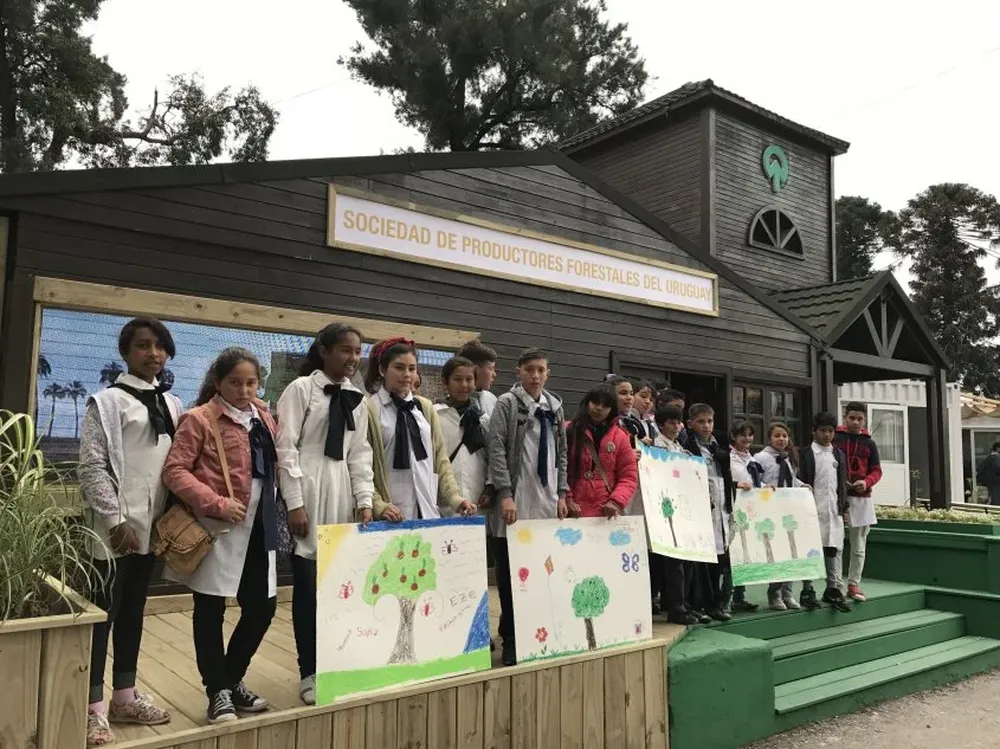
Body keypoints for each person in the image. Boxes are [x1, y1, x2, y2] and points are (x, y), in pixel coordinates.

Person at [162, 348, 279, 724]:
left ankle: (231, 679)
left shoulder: (263, 416)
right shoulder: (198, 419)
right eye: (235, 382)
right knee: (210, 609)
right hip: (217, 528)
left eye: (251, 382)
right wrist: (215, 502)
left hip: (261, 526)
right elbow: (175, 470)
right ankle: (217, 693)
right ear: (218, 381)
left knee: (263, 606)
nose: (244, 390)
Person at [79, 318, 182, 746]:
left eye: (160, 347)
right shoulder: (105, 403)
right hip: (114, 532)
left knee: (135, 613)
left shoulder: (172, 404)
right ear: (126, 352)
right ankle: (92, 708)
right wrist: (114, 520)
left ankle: (125, 696)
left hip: (153, 531)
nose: (153, 353)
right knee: (103, 616)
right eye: (143, 345)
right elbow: (91, 466)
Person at [275, 323, 375, 705]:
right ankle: (309, 671)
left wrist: (364, 500)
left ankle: (339, 661)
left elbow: (360, 454)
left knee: (338, 586)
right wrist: (295, 502)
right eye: (346, 350)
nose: (352, 359)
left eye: (357, 351)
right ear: (324, 350)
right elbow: (286, 450)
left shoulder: (357, 398)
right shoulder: (300, 390)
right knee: (307, 589)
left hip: (343, 496)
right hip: (310, 489)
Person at [486, 347, 569, 666]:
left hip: (547, 498)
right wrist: (505, 493)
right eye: (530, 369)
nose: (536, 376)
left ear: (548, 373)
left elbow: (561, 452)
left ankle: (540, 631)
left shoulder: (555, 406)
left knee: (542, 570)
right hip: (517, 499)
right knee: (510, 573)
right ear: (518, 372)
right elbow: (496, 447)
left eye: (541, 370)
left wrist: (562, 492)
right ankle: (511, 638)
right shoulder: (507, 404)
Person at [363, 337, 476, 522]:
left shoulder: (424, 408)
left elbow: (440, 459)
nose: (407, 375)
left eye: (412, 368)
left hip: (426, 510)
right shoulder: (369, 410)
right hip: (389, 516)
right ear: (383, 370)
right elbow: (362, 467)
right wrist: (378, 505)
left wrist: (455, 498)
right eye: (399, 368)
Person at [681, 403, 734, 622]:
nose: (706, 426)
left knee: (719, 557)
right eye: (701, 421)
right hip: (700, 506)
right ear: (690, 423)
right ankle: (698, 604)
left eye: (709, 421)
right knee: (701, 560)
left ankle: (716, 604)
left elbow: (727, 475)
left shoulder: (719, 445)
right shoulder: (687, 445)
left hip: (721, 504)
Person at [753, 422, 814, 611]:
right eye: (777, 435)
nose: (781, 439)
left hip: (789, 509)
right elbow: (756, 480)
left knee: (791, 552)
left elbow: (791, 478)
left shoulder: (789, 458)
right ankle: (774, 593)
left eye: (785, 436)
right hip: (770, 509)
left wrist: (802, 485)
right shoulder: (761, 457)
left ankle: (788, 592)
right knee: (776, 553)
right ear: (769, 438)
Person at [798, 412, 852, 613]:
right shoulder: (805, 454)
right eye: (823, 431)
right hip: (811, 510)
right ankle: (807, 589)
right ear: (814, 431)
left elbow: (841, 485)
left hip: (832, 511)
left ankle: (832, 588)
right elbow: (801, 479)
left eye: (830, 431)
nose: (827, 435)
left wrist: (844, 507)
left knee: (832, 548)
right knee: (810, 550)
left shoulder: (837, 455)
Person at [652, 406, 700, 625]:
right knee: (674, 564)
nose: (675, 426)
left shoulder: (680, 448)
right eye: (671, 422)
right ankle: (675, 607)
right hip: (665, 509)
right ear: (661, 424)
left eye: (678, 422)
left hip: (683, 510)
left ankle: (683, 603)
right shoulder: (656, 446)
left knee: (687, 561)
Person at [565, 384, 638, 518]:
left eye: (605, 405)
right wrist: (567, 499)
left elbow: (628, 477)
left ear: (612, 409)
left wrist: (615, 502)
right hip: (570, 511)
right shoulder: (568, 431)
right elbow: (557, 469)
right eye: (595, 402)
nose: (599, 408)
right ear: (587, 402)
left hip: (605, 514)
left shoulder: (621, 437)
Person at [835, 402, 883, 602]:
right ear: (845, 417)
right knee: (835, 544)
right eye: (851, 418)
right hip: (838, 498)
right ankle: (835, 585)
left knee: (859, 545)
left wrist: (866, 481)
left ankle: (854, 584)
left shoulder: (869, 443)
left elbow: (877, 470)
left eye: (859, 419)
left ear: (865, 420)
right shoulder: (835, 439)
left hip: (862, 499)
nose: (855, 422)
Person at [435, 356, 493, 514]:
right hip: (442, 502)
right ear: (445, 382)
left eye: (469, 379)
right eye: (457, 379)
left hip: (476, 501)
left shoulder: (483, 419)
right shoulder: (434, 415)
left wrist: (489, 487)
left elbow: (492, 457)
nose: (464, 385)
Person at [727, 421, 762, 614]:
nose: (747, 439)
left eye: (750, 435)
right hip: (734, 510)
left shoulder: (751, 458)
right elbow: (726, 479)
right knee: (734, 554)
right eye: (742, 435)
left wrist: (766, 487)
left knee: (746, 554)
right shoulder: (729, 458)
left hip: (751, 511)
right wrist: (736, 485)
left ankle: (740, 596)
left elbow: (755, 481)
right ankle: (728, 597)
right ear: (734, 436)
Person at [456, 340, 499, 417]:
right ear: (475, 369)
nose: (494, 374)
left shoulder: (492, 400)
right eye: (491, 368)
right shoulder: (455, 403)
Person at [631, 380, 659, 444]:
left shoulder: (651, 425)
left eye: (651, 400)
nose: (648, 401)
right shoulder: (624, 419)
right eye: (643, 396)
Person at [976, 442, 1000, 506]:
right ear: (998, 449)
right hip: (996, 484)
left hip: (990, 484)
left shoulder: (987, 458)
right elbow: (998, 469)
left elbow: (979, 469)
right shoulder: (994, 458)